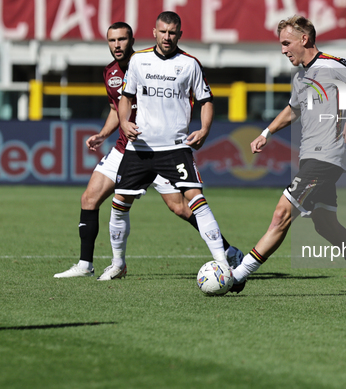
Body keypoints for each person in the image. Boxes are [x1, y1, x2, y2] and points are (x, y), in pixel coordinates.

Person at [55, 21, 241, 280]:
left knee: (180, 207)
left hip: (166, 147)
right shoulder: (110, 72)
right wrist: (104, 134)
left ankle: (227, 252)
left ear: (132, 40)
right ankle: (87, 264)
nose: (117, 45)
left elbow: (201, 99)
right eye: (112, 40)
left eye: (122, 39)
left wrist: (201, 128)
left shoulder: (148, 62)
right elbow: (116, 107)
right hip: (129, 149)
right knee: (90, 199)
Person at [230, 15, 346, 295]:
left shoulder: (332, 65)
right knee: (325, 223)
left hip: (326, 156)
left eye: (286, 43)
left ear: (304, 39)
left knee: (281, 214)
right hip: (312, 156)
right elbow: (293, 110)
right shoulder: (300, 76)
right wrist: (266, 133)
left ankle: (238, 275)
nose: (283, 50)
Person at [110, 11, 236, 280]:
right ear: (154, 32)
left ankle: (222, 262)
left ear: (179, 34)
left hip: (175, 148)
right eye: (162, 32)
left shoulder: (190, 64)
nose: (167, 37)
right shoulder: (138, 60)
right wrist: (124, 122)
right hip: (140, 148)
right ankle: (118, 264)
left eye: (172, 32)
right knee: (119, 203)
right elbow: (125, 96)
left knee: (195, 201)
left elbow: (207, 100)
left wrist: (204, 129)